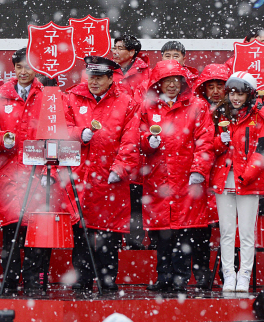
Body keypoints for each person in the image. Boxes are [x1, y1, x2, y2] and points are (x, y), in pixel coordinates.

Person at [64, 56, 139, 292]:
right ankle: (82, 280)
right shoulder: (72, 97)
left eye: (98, 78)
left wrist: (120, 168)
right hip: (81, 175)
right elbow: (61, 129)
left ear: (110, 78)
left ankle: (108, 281)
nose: (93, 82)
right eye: (90, 77)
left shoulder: (126, 101)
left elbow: (131, 139)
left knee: (109, 234)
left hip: (109, 177)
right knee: (81, 232)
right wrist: (78, 133)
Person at [140, 60, 214, 293]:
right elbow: (139, 136)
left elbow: (205, 140)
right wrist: (147, 142)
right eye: (167, 81)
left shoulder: (197, 106)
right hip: (158, 177)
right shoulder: (148, 107)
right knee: (162, 231)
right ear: (158, 83)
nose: (172, 85)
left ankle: (180, 278)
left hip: (185, 178)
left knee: (184, 230)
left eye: (176, 80)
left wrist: (198, 170)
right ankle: (164, 277)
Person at [0, 48, 52, 295]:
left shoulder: (48, 97)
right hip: (8, 175)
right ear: (13, 69)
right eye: (19, 67)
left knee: (36, 233)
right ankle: (10, 281)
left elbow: (55, 136)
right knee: (11, 232)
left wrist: (49, 173)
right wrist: (3, 139)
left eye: (29, 67)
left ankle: (34, 281)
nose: (24, 72)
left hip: (38, 174)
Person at [210, 71, 264, 292]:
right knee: (227, 231)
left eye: (241, 93)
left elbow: (263, 149)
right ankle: (228, 274)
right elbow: (212, 148)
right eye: (232, 93)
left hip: (248, 181)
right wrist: (220, 140)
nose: (236, 98)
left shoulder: (260, 117)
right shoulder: (221, 114)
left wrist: (246, 175)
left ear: (250, 94)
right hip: (223, 179)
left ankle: (244, 275)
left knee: (247, 232)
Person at [192, 63, 230, 288]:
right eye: (211, 86)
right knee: (201, 227)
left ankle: (228, 272)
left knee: (228, 227)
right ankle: (202, 272)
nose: (215, 91)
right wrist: (217, 144)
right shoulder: (197, 110)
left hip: (226, 173)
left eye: (220, 86)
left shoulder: (236, 109)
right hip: (203, 173)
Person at [111, 34, 149, 250]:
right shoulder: (110, 72)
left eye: (120, 48)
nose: (115, 52)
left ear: (133, 52)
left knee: (136, 197)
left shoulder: (146, 73)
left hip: (138, 138)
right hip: (115, 137)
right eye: (114, 47)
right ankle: (115, 239)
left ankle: (135, 240)